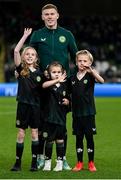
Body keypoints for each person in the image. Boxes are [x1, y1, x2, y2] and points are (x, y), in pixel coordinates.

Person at [29, 3, 78, 170]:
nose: (49, 17)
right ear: (42, 17)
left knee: (62, 122)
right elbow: (29, 57)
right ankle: (42, 157)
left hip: (63, 84)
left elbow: (76, 57)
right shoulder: (37, 35)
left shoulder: (67, 34)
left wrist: (74, 80)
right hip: (43, 85)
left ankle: (62, 158)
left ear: (57, 15)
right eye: (46, 14)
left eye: (52, 14)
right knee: (43, 121)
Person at [11, 28, 43, 172]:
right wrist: (24, 36)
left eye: (32, 55)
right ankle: (17, 163)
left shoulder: (41, 73)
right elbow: (16, 51)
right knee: (21, 133)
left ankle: (34, 162)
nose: (30, 56)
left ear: (36, 58)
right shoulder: (20, 69)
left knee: (35, 133)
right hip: (23, 106)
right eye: (27, 54)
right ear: (24, 57)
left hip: (36, 107)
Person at [68, 50, 104, 172]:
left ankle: (91, 162)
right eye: (80, 61)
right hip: (76, 114)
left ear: (90, 62)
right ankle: (79, 163)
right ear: (76, 62)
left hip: (89, 113)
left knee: (89, 138)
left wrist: (92, 71)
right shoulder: (72, 77)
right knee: (78, 138)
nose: (82, 63)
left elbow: (101, 81)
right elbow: (67, 93)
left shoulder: (91, 76)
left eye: (85, 61)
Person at [41, 61, 70, 171]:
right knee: (49, 141)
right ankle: (47, 162)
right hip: (49, 118)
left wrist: (68, 101)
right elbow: (43, 85)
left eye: (59, 72)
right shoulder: (48, 84)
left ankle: (59, 162)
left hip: (61, 118)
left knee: (60, 141)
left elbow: (69, 99)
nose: (57, 74)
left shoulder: (65, 85)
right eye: (54, 72)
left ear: (63, 73)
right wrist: (57, 80)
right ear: (49, 73)